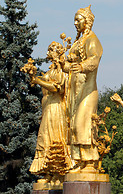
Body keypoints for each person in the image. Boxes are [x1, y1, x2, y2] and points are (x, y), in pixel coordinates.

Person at [63, 5, 103, 172]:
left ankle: (89, 162)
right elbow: (69, 68)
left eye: (78, 19)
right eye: (75, 20)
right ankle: (78, 161)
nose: (75, 23)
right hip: (74, 91)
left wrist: (81, 65)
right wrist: (60, 62)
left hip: (87, 90)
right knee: (73, 125)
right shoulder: (78, 42)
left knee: (82, 124)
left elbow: (95, 59)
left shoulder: (92, 39)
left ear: (87, 22)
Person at [28, 41, 73, 184]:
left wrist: (37, 80)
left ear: (58, 52)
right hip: (48, 108)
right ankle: (48, 174)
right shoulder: (51, 71)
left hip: (56, 108)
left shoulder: (62, 71)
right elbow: (42, 81)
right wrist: (32, 74)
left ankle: (59, 173)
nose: (48, 54)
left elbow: (57, 88)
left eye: (50, 50)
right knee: (44, 139)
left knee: (56, 139)